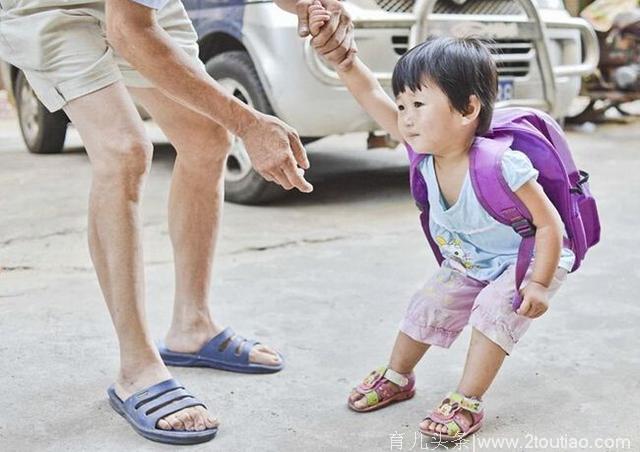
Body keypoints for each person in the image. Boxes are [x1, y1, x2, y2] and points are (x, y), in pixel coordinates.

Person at [0, 0, 354, 445]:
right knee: (124, 150)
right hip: (53, 6)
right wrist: (250, 123)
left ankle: (192, 325)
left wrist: (304, 5)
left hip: (140, 8)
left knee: (206, 137)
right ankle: (137, 367)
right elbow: (129, 32)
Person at [308, 3, 573, 440]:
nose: (405, 116)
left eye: (418, 103)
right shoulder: (423, 152)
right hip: (472, 260)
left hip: (526, 258)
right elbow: (369, 96)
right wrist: (346, 62)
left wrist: (540, 283)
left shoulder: (503, 164)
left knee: (493, 309)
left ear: (468, 109)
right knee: (428, 302)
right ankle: (397, 375)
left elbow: (549, 226)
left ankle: (467, 400)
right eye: (402, 104)